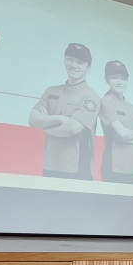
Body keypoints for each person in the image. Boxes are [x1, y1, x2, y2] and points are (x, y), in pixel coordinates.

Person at [29, 42, 100, 180]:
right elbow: (32, 119)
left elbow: (72, 129)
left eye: (79, 62)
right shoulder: (51, 91)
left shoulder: (90, 97)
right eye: (70, 59)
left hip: (77, 170)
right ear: (64, 60)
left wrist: (45, 126)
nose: (73, 65)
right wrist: (60, 119)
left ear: (88, 67)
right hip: (49, 167)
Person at [99, 60, 133, 185]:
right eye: (114, 78)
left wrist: (126, 137)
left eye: (123, 78)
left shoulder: (132, 108)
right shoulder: (106, 101)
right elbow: (123, 133)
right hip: (115, 168)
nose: (119, 82)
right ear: (106, 79)